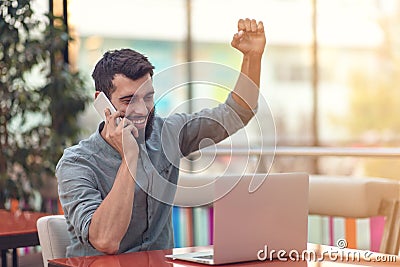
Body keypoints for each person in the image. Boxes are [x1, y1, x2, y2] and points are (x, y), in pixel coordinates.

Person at [56, 18, 266, 257]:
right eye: (128, 100)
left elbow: (236, 114)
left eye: (147, 97)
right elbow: (106, 240)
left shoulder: (167, 133)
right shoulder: (76, 163)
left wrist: (252, 58)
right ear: (101, 101)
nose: (142, 109)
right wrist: (129, 158)